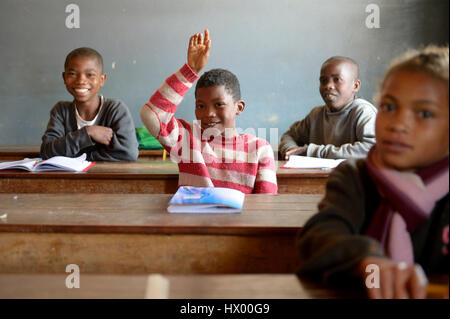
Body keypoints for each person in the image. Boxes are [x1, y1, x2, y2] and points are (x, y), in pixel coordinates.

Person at [296, 45, 449, 299]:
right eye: (389, 107)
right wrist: (367, 261)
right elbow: (318, 237)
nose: (398, 124)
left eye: (424, 113)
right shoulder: (356, 176)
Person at [140, 30, 277, 194]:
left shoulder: (260, 149)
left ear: (239, 107)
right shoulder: (187, 139)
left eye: (219, 104)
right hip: (193, 219)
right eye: (201, 106)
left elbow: (266, 204)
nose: (208, 114)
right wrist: (189, 71)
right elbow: (151, 114)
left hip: (239, 220)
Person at [40, 47, 138, 161]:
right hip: (68, 178)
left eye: (90, 74)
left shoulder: (115, 109)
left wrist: (77, 156)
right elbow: (47, 152)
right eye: (72, 73)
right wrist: (88, 132)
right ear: (64, 77)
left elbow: (128, 154)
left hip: (107, 178)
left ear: (102, 79)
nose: (81, 80)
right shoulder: (61, 111)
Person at [279, 56, 377, 159]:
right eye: (323, 80)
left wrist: (312, 151)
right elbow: (289, 136)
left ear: (355, 86)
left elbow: (372, 149)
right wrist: (291, 151)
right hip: (318, 175)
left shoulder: (363, 113)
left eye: (337, 79)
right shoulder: (316, 115)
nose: (328, 85)